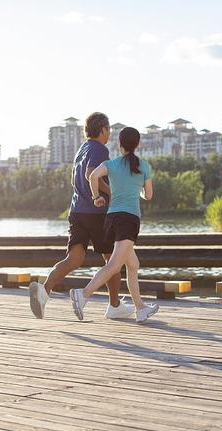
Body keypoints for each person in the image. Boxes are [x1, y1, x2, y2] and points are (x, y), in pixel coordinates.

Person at [29, 112, 135, 320]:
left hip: (77, 211)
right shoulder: (99, 149)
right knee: (112, 260)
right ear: (103, 130)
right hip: (96, 212)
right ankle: (114, 305)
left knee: (74, 258)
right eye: (109, 130)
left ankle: (44, 291)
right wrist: (109, 192)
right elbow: (91, 174)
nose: (109, 135)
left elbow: (77, 179)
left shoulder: (81, 150)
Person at [69, 126, 159, 323]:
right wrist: (138, 190)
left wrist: (96, 197)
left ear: (119, 145)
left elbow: (92, 176)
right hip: (129, 220)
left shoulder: (111, 164)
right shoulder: (143, 166)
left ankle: (140, 308)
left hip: (111, 219)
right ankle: (82, 294)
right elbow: (149, 195)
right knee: (114, 265)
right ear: (138, 144)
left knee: (133, 265)